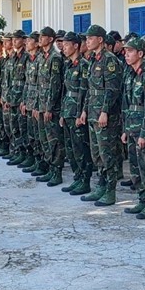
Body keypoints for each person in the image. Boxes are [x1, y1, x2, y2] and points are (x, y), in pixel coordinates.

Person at [79, 24, 123, 206]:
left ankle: (110, 191)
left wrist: (104, 111)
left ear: (100, 39)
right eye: (87, 38)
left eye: (90, 38)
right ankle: (101, 186)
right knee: (96, 154)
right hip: (92, 114)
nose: (87, 41)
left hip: (105, 116)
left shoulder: (109, 60)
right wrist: (84, 110)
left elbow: (112, 90)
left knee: (107, 154)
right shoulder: (93, 60)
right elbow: (91, 89)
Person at [120, 36, 145, 219]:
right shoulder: (129, 74)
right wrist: (125, 129)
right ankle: (142, 199)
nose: (126, 55)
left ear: (140, 53)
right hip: (132, 127)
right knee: (135, 167)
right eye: (126, 51)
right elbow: (126, 103)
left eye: (130, 51)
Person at [59, 31, 92, 195]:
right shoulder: (68, 65)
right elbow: (65, 91)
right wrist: (62, 113)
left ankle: (85, 181)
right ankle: (77, 178)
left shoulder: (84, 65)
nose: (64, 48)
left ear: (76, 46)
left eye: (66, 45)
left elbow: (85, 92)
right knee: (71, 148)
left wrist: (81, 113)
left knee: (81, 149)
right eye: (63, 45)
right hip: (67, 111)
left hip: (77, 113)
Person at [37, 26, 65, 185]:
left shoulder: (55, 57)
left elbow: (55, 85)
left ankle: (57, 171)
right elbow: (39, 84)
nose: (40, 39)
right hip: (41, 104)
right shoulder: (42, 57)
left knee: (54, 139)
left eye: (43, 36)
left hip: (51, 107)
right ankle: (49, 167)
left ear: (50, 39)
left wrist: (49, 108)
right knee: (44, 139)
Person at [5, 30, 29, 166]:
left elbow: (28, 81)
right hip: (13, 96)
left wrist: (25, 100)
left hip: (21, 98)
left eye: (17, 39)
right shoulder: (13, 56)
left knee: (22, 127)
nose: (14, 41)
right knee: (14, 126)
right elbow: (9, 80)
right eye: (13, 39)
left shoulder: (26, 57)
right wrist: (8, 97)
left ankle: (25, 153)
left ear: (23, 40)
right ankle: (18, 151)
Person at [20, 31, 42, 171]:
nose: (26, 43)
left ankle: (42, 164)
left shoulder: (42, 59)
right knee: (31, 134)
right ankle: (33, 159)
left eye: (29, 41)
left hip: (37, 104)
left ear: (37, 43)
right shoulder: (30, 59)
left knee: (40, 136)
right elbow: (27, 83)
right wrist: (24, 101)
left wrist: (38, 105)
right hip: (28, 101)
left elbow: (42, 85)